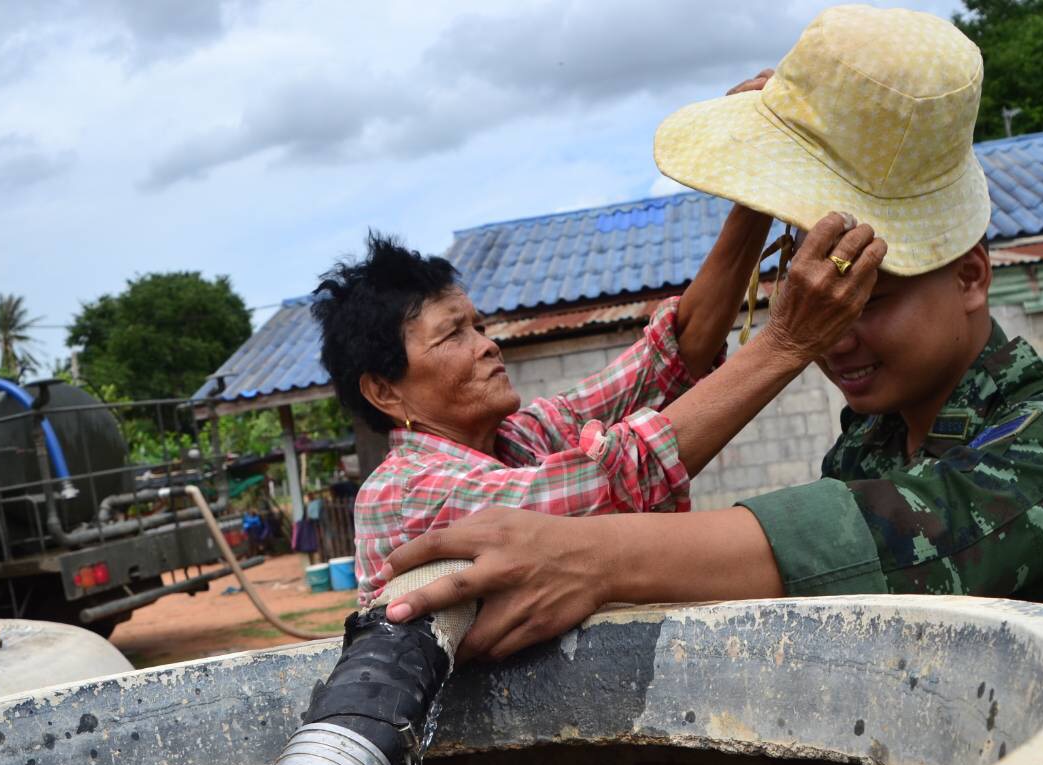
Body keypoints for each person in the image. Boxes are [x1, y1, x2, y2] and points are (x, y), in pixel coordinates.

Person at [379, 5, 1043, 656]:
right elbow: (667, 374)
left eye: (867, 297)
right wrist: (757, 199)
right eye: (817, 297)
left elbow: (892, 537)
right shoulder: (866, 443)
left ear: (970, 275)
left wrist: (588, 556)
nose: (836, 337)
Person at [315, 77, 888, 604]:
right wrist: (786, 342)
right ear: (385, 392)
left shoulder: (518, 438)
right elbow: (617, 480)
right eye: (452, 335)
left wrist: (751, 195)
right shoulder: (402, 493)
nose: (488, 346)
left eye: (480, 328)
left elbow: (669, 356)